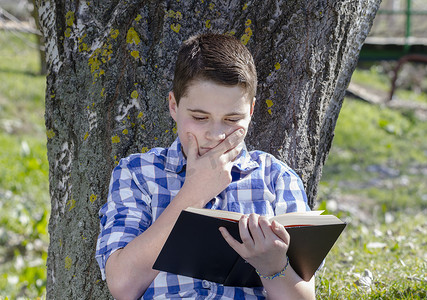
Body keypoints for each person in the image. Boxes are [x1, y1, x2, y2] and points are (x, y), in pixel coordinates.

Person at [95, 33, 316, 300]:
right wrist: (193, 194)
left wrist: (273, 268)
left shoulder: (277, 180)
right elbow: (123, 286)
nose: (216, 134)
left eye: (232, 118)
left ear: (251, 111)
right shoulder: (138, 173)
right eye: (200, 117)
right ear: (174, 106)